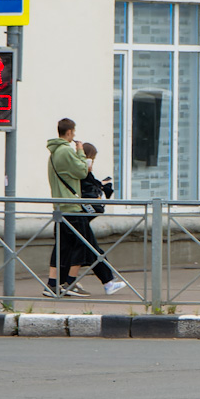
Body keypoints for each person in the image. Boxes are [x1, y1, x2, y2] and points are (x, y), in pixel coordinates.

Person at [45, 117, 89, 297]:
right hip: (71, 207)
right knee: (81, 244)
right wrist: (80, 152)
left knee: (61, 246)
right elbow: (82, 171)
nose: (74, 136)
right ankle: (70, 283)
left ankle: (52, 283)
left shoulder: (53, 153)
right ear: (69, 132)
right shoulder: (66, 151)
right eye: (73, 132)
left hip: (59, 207)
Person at [74, 142, 126, 295]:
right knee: (89, 249)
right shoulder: (82, 171)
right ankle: (107, 282)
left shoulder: (79, 171)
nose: (92, 164)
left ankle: (107, 280)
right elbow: (89, 190)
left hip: (75, 216)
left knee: (88, 248)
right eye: (92, 160)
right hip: (78, 216)